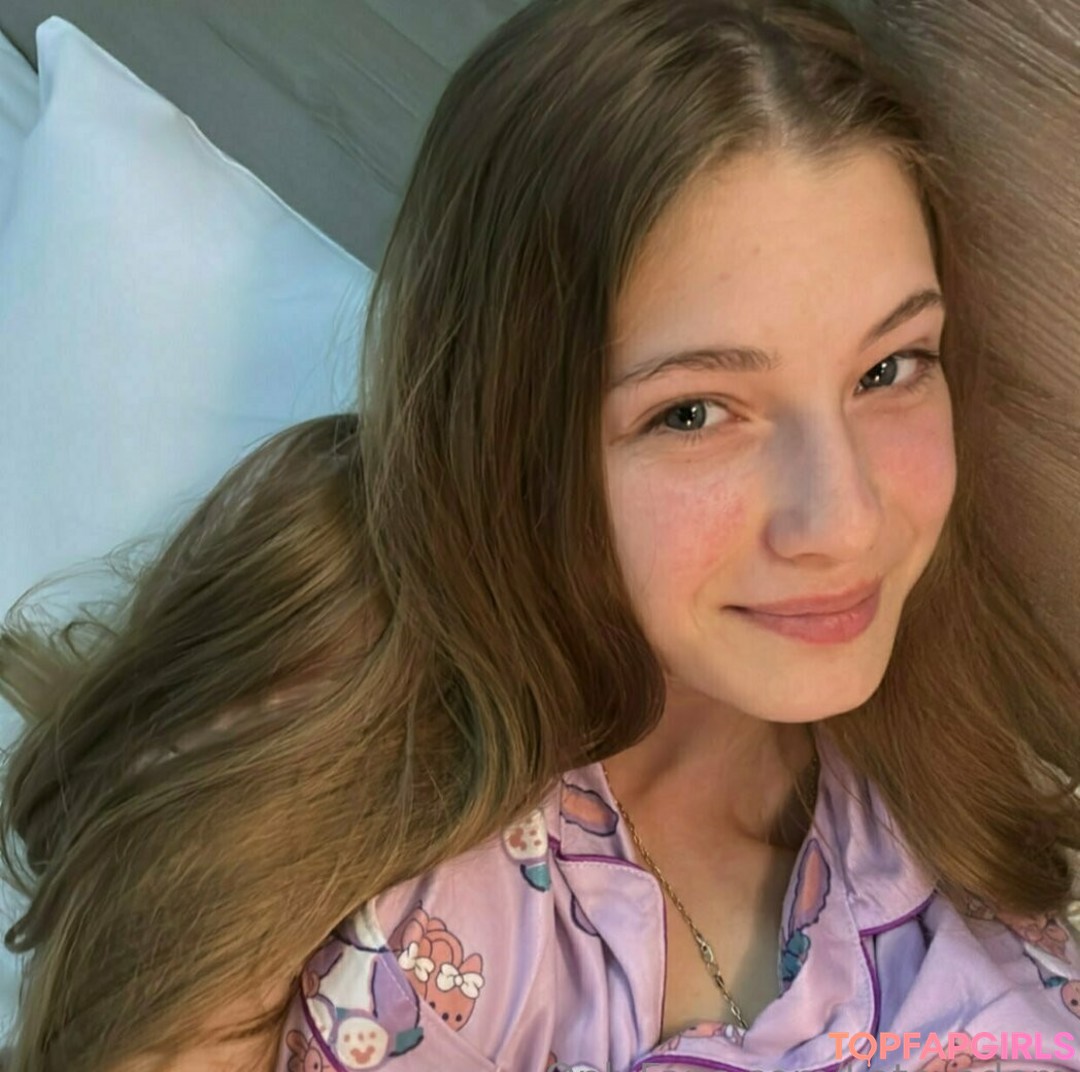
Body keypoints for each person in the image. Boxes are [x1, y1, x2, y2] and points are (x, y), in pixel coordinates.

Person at [1, 1, 1079, 1070]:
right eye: (693, 412)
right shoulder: (335, 697)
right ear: (517, 432)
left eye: (889, 367)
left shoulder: (975, 795)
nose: (844, 520)